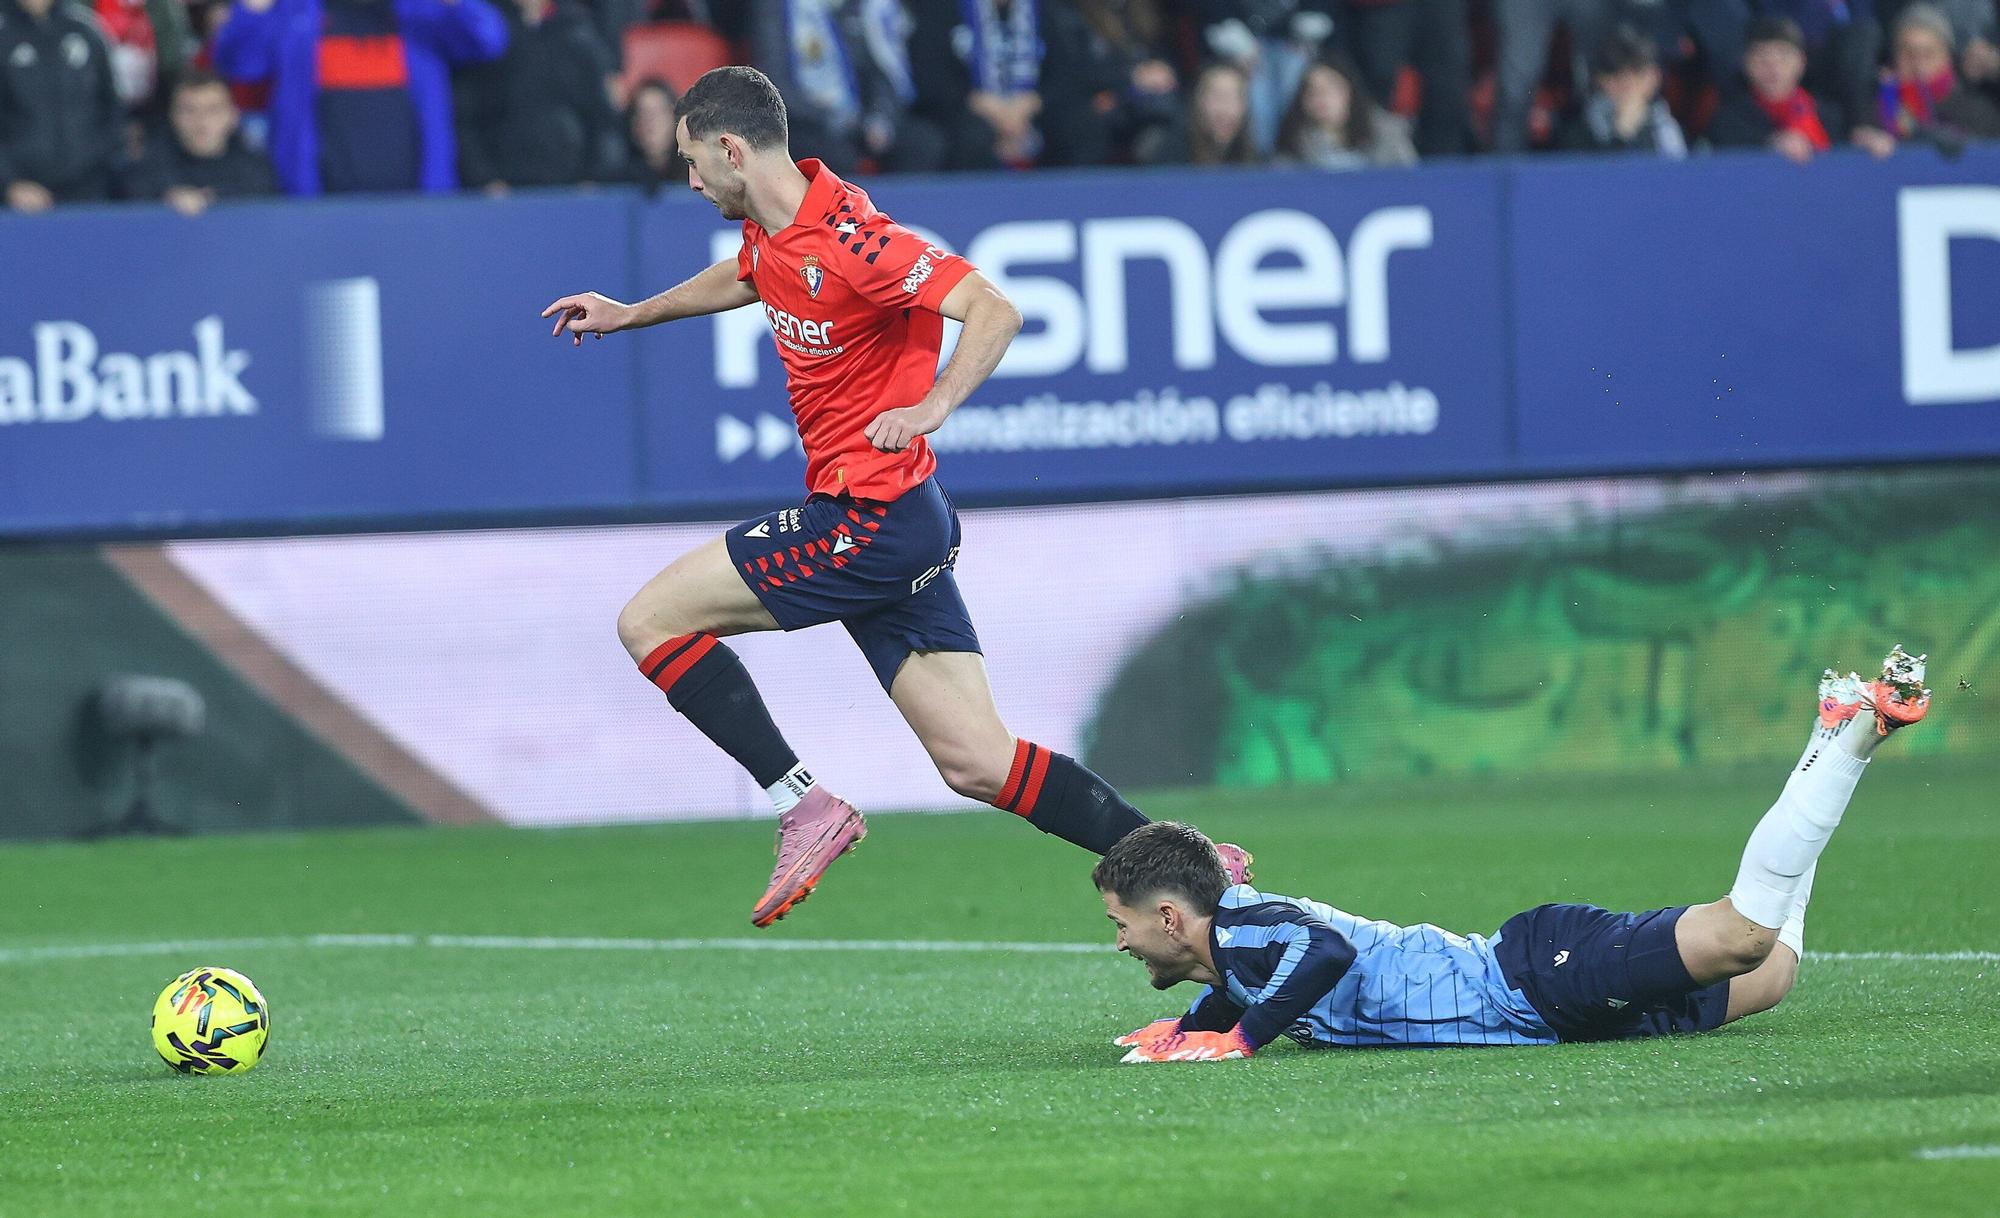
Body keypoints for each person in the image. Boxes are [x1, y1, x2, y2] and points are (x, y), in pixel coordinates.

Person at [539, 67, 1254, 927]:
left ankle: (801, 803)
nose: (688, 179)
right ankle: (1199, 868)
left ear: (732, 149)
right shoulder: (776, 231)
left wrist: (935, 403)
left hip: (867, 520)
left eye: (693, 160)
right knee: (979, 763)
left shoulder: (854, 239)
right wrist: (631, 314)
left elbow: (991, 308)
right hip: (902, 523)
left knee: (650, 621)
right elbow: (746, 277)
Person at [1101, 647, 1932, 1062]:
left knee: (1742, 937)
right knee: (1772, 969)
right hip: (1553, 1012)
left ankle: (1837, 744)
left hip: (1536, 976)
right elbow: (1249, 974)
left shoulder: (1252, 931)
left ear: (1170, 916)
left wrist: (1240, 1041)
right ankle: (1838, 737)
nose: (1119, 940)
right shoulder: (1236, 945)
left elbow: (1322, 950)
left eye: (1123, 923)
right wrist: (1186, 1029)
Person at [211, 0, 509, 195]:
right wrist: (251, 8)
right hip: (317, 206)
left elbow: (487, 40)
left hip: (420, 204)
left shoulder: (420, 11)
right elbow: (239, 62)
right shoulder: (295, 13)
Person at [454, 0, 623, 192]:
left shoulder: (577, 33)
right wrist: (483, 178)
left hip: (573, 188)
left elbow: (600, 116)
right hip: (504, 190)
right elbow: (465, 116)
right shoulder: (486, 34)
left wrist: (595, 175)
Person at [0, 0, 124, 212]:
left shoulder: (87, 28)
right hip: (20, 198)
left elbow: (112, 108)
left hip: (90, 191)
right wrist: (8, 182)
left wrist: (102, 167)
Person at [122, 68, 277, 213]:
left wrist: (212, 199)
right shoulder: (148, 168)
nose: (201, 121)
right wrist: (167, 198)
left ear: (233, 116)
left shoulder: (256, 170)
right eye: (190, 110)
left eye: (213, 110)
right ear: (173, 116)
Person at [1705, 15, 1852, 161]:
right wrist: (1773, 143)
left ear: (1801, 62)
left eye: (1784, 56)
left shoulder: (1831, 116)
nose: (1773, 67)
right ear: (1745, 63)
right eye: (1761, 57)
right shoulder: (1728, 120)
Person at [1337, 0, 1473, 156]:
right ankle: (1370, 158)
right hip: (1378, 5)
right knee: (1378, 79)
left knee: (1447, 88)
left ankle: (1446, 167)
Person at [1877, 3, 2000, 144]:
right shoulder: (1878, 107)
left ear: (1947, 58)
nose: (1918, 62)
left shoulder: (1979, 112)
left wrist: (1916, 129)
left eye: (1928, 53)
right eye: (1908, 53)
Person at [1557, 26, 1689, 156]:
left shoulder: (1669, 129)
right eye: (1616, 77)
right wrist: (1622, 135)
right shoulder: (1578, 133)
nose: (1627, 86)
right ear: (1600, 80)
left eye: (1637, 73)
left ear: (1653, 77)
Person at [1275, 52, 1417, 168]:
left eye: (1331, 88)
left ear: (1350, 92)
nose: (1321, 97)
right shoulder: (1292, 146)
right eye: (1311, 90)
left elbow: (1410, 182)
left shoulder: (1386, 135)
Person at [1146, 60, 1262, 165]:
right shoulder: (1169, 157)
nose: (1225, 109)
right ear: (1198, 102)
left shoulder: (1257, 165)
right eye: (1218, 96)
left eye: (1234, 97)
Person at [623, 77, 689, 194]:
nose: (649, 123)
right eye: (642, 113)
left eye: (657, 113)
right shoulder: (618, 178)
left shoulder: (697, 174)